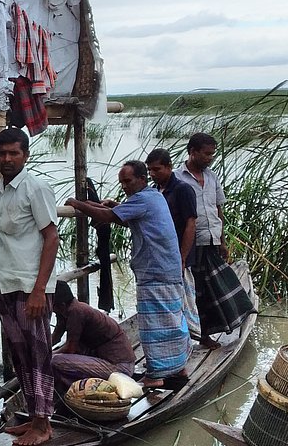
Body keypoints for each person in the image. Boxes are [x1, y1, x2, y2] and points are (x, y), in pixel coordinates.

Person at [67, 161, 190, 389]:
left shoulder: (143, 200)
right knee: (173, 319)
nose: (124, 185)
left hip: (155, 271)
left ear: (142, 179)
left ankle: (156, 374)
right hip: (167, 268)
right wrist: (102, 204)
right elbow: (117, 212)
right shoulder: (153, 196)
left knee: (154, 324)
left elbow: (109, 217)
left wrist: (78, 204)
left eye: (128, 181)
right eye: (121, 182)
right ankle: (178, 366)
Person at [0, 127, 59, 446]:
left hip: (30, 286)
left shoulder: (35, 189)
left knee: (38, 354)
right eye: (2, 153)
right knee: (20, 355)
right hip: (6, 284)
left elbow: (51, 237)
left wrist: (39, 289)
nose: (7, 159)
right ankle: (34, 416)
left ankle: (43, 423)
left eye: (14, 153)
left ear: (26, 155)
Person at [177, 132, 255, 348]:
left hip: (211, 240)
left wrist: (222, 240)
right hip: (192, 243)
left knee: (220, 283)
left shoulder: (211, 177)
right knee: (198, 291)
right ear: (192, 152)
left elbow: (218, 209)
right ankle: (201, 335)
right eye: (206, 154)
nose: (210, 158)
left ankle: (219, 325)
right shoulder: (178, 178)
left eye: (212, 154)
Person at [145, 147, 201, 341]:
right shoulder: (155, 191)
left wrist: (182, 257)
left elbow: (190, 224)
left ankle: (190, 337)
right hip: (163, 257)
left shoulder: (182, 189)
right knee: (169, 300)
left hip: (178, 255)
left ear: (169, 167)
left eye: (157, 169)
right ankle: (175, 338)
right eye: (149, 170)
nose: (152, 174)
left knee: (184, 299)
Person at [50, 281, 136, 397]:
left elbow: (70, 348)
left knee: (54, 361)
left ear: (61, 305)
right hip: (105, 361)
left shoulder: (76, 312)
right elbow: (54, 338)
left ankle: (68, 394)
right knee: (53, 358)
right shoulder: (65, 313)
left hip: (119, 368)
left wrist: (49, 355)